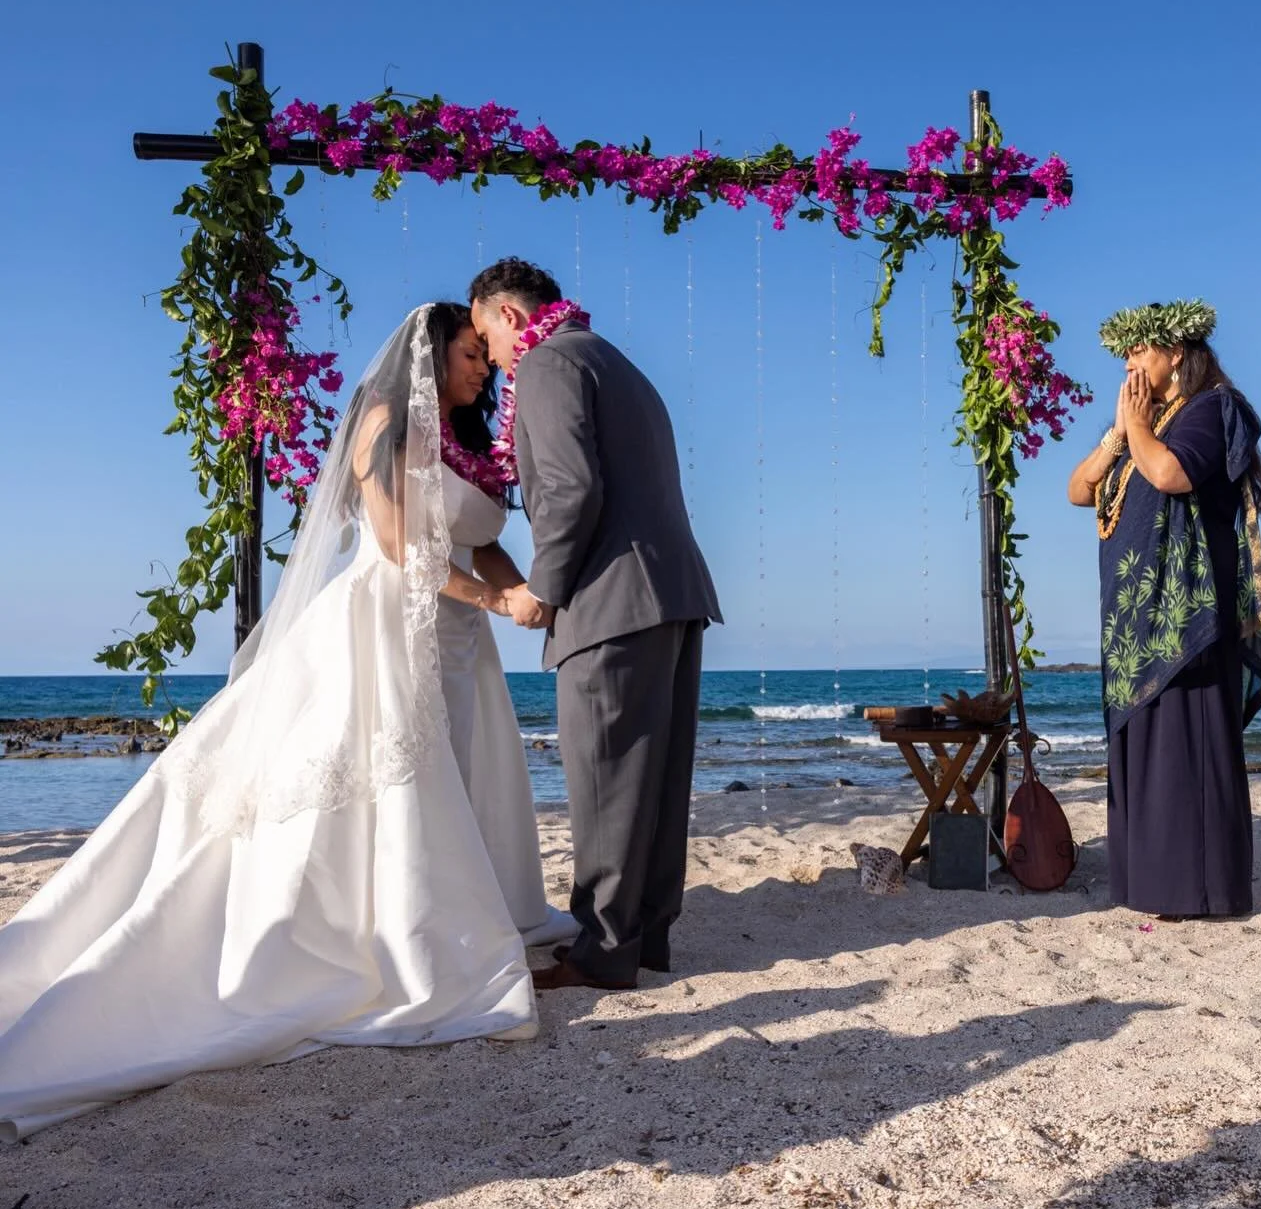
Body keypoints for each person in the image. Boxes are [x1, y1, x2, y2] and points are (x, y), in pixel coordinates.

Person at [0, 303, 574, 1141]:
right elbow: (394, 544)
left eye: (484, 358)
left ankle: (452, 916)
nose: (483, 368)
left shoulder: (469, 445)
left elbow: (478, 539)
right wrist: (493, 599)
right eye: (468, 353)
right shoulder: (386, 421)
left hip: (458, 639)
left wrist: (521, 590)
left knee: (461, 770)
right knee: (365, 779)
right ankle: (370, 937)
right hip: (383, 625)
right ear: (428, 354)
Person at [470, 259, 722, 990]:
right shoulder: (618, 363)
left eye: (487, 338)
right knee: (658, 779)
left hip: (611, 599)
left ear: (510, 317)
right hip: (672, 590)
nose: (491, 359)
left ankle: (602, 951)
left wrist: (543, 589)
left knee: (608, 780)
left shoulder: (549, 364)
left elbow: (572, 489)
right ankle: (645, 940)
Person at [1067, 299, 1261, 919]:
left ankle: (1202, 890)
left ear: (1176, 354)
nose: (1129, 364)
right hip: (1136, 615)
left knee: (1184, 746)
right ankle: (1151, 885)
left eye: (1140, 352)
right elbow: (1079, 490)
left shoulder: (1212, 411)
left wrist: (1137, 431)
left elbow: (1170, 475)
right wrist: (1118, 431)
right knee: (1146, 741)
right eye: (1126, 354)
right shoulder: (1143, 423)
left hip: (1186, 612)